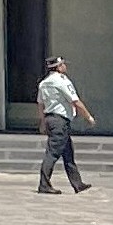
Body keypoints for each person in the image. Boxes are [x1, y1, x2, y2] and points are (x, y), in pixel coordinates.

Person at [35, 54, 94, 195]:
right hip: (60, 121)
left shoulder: (44, 83)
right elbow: (75, 101)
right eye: (62, 64)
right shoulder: (62, 81)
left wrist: (42, 123)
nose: (65, 66)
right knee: (52, 154)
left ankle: (77, 184)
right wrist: (88, 116)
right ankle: (44, 185)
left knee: (68, 153)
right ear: (58, 67)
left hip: (51, 119)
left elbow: (40, 104)